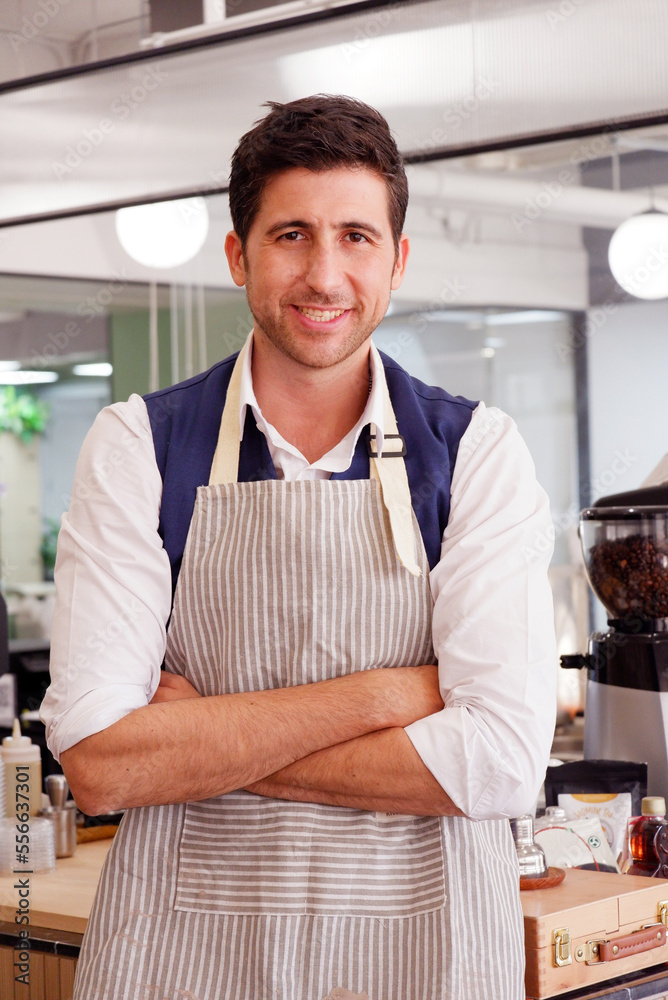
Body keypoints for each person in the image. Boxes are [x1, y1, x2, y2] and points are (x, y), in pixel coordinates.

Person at [40, 94, 557, 1000]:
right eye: (291, 235)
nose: (325, 275)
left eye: (356, 237)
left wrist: (200, 741)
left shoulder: (476, 451)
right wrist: (388, 694)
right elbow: (102, 762)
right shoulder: (139, 447)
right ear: (239, 255)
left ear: (396, 262)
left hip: (426, 956)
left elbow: (501, 763)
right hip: (184, 956)